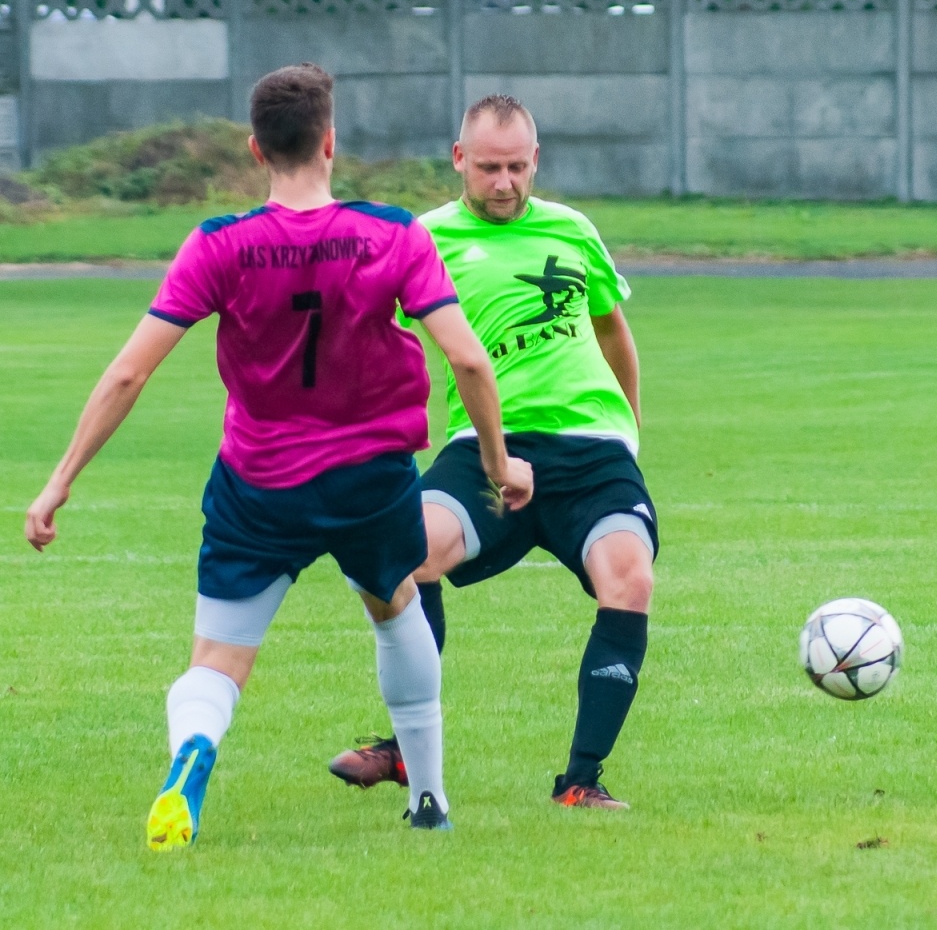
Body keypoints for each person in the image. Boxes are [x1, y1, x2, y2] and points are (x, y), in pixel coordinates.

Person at [23, 64, 532, 850]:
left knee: (219, 658)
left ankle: (193, 755)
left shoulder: (219, 244)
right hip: (369, 481)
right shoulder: (394, 233)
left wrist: (59, 481)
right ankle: (428, 800)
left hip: (259, 482)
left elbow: (131, 370)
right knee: (395, 607)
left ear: (256, 149)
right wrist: (499, 462)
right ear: (330, 143)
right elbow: (467, 360)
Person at [328, 94, 655, 810]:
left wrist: (629, 428)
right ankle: (406, 749)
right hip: (484, 446)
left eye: (515, 167)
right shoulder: (424, 237)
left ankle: (580, 781)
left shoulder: (572, 229)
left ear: (535, 160)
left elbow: (612, 331)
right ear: (458, 161)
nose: (503, 183)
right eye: (487, 169)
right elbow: (363, 335)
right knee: (403, 556)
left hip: (593, 453)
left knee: (628, 579)